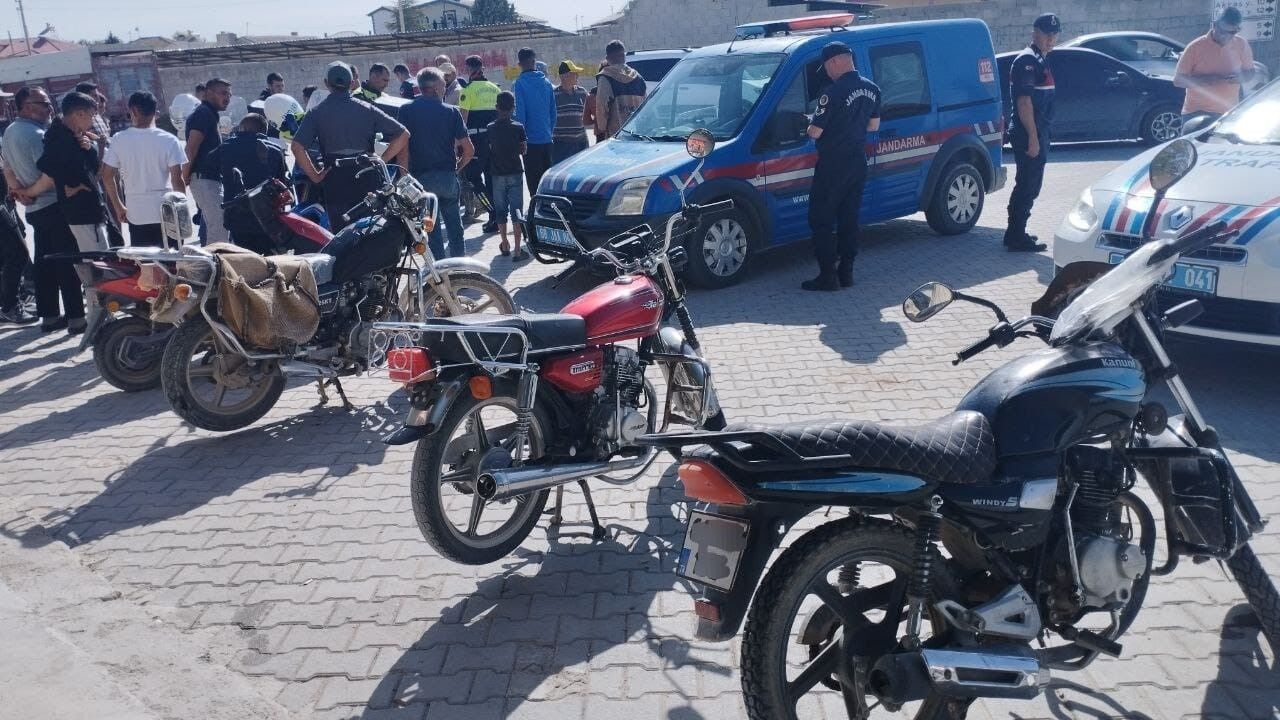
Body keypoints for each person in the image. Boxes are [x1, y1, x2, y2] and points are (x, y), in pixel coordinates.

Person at [291, 61, 409, 231]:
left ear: (326, 83)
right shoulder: (367, 109)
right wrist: (382, 160)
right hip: (367, 175)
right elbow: (403, 134)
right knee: (373, 230)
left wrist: (315, 176)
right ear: (352, 82)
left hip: (335, 179)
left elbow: (297, 146)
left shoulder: (316, 113)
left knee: (342, 234)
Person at [2, 86, 83, 333]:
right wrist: (28, 192)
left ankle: (49, 316)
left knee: (44, 264)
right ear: (27, 106)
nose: (49, 108)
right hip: (53, 204)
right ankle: (76, 318)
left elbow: (7, 168)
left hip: (35, 209)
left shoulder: (10, 132)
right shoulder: (37, 134)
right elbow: (51, 174)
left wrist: (18, 190)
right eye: (44, 104)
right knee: (67, 262)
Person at [801, 42, 881, 292]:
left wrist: (809, 122)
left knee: (821, 219)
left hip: (833, 164)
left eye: (826, 67)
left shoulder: (832, 93)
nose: (826, 72)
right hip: (857, 161)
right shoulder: (872, 89)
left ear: (834, 61)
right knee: (849, 218)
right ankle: (846, 273)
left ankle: (827, 276)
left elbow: (815, 132)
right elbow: (873, 126)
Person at [19, 92, 111, 293]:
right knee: (96, 264)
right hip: (81, 210)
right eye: (91, 115)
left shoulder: (74, 135)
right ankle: (99, 305)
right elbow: (46, 164)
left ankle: (100, 301)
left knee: (99, 259)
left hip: (90, 208)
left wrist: (89, 148)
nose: (93, 121)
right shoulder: (59, 136)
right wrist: (69, 186)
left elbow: (92, 168)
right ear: (79, 114)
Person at [398, 67, 473, 258]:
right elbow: (469, 150)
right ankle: (459, 268)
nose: (445, 88)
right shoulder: (451, 112)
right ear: (436, 88)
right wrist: (457, 168)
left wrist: (404, 177)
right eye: (443, 85)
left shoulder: (406, 111)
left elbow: (403, 149)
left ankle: (439, 270)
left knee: (431, 231)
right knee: (455, 227)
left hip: (421, 181)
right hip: (447, 177)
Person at [101, 91, 187, 248]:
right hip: (167, 212)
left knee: (145, 260)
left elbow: (107, 175)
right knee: (173, 259)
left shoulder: (119, 139)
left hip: (137, 213)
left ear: (133, 111)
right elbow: (177, 179)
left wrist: (118, 206)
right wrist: (182, 211)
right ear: (155, 112)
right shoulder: (170, 140)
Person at [1004, 13, 1060, 253]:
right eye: (1046, 34)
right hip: (1028, 133)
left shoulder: (1040, 59)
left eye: (1054, 35)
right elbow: (1024, 103)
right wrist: (1034, 138)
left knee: (1030, 184)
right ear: (1035, 33)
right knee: (1027, 185)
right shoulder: (1027, 61)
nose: (1051, 39)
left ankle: (1016, 232)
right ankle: (1016, 236)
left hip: (1038, 132)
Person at [219, 114, 289, 253]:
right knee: (270, 259)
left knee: (243, 258)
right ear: (264, 131)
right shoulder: (276, 151)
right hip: (268, 219)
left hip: (237, 217)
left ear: (243, 128)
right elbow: (282, 184)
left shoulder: (225, 148)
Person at [1174, 6, 1255, 125]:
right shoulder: (1195, 47)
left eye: (1231, 32)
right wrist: (1207, 80)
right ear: (1215, 25)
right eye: (1222, 31)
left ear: (1237, 29)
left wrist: (1240, 78)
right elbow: (1178, 80)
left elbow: (1250, 72)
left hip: (1229, 113)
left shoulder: (1241, 44)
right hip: (1196, 112)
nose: (1225, 36)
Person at [184, 77, 231, 244]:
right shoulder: (203, 114)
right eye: (223, 93)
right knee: (219, 228)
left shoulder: (209, 114)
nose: (227, 98)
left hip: (210, 179)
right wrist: (184, 176)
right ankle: (216, 260)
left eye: (229, 94)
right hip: (204, 179)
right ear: (209, 93)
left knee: (215, 226)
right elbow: (191, 147)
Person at [458, 55, 501, 233]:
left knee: (474, 178)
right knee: (491, 178)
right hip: (494, 140)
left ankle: (492, 212)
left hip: (476, 140)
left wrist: (459, 144)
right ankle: (496, 218)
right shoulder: (495, 88)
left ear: (469, 69)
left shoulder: (467, 90)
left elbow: (462, 120)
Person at [487, 91, 527, 260]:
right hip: (515, 172)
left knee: (500, 211)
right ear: (513, 108)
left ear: (496, 107)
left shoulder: (490, 128)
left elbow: (489, 149)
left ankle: (504, 243)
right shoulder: (518, 127)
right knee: (517, 211)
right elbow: (523, 150)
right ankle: (518, 250)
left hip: (497, 174)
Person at [512, 47, 555, 194]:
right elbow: (553, 113)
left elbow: (521, 115)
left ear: (519, 64)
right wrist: (549, 132)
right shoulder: (547, 83)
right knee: (547, 181)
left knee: (534, 181)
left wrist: (520, 139)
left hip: (530, 142)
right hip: (547, 139)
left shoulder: (519, 83)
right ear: (534, 61)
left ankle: (536, 206)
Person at [0, 152, 35, 325]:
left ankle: (9, 303)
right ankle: (10, 306)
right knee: (18, 252)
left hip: (5, 203)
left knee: (10, 254)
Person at [595, 40, 646, 140]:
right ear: (624, 56)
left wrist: (602, 127)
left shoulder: (606, 77)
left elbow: (601, 106)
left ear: (607, 58)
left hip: (616, 135)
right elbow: (645, 106)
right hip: (637, 133)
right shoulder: (638, 77)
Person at [552, 60, 590, 163]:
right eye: (574, 74)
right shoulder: (553, 95)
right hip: (561, 145)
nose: (577, 76)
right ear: (564, 76)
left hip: (581, 143)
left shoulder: (582, 92)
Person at [582, 61, 606, 143]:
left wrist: (597, 120)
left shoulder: (592, 95)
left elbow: (586, 120)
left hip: (600, 136)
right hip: (618, 135)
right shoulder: (620, 93)